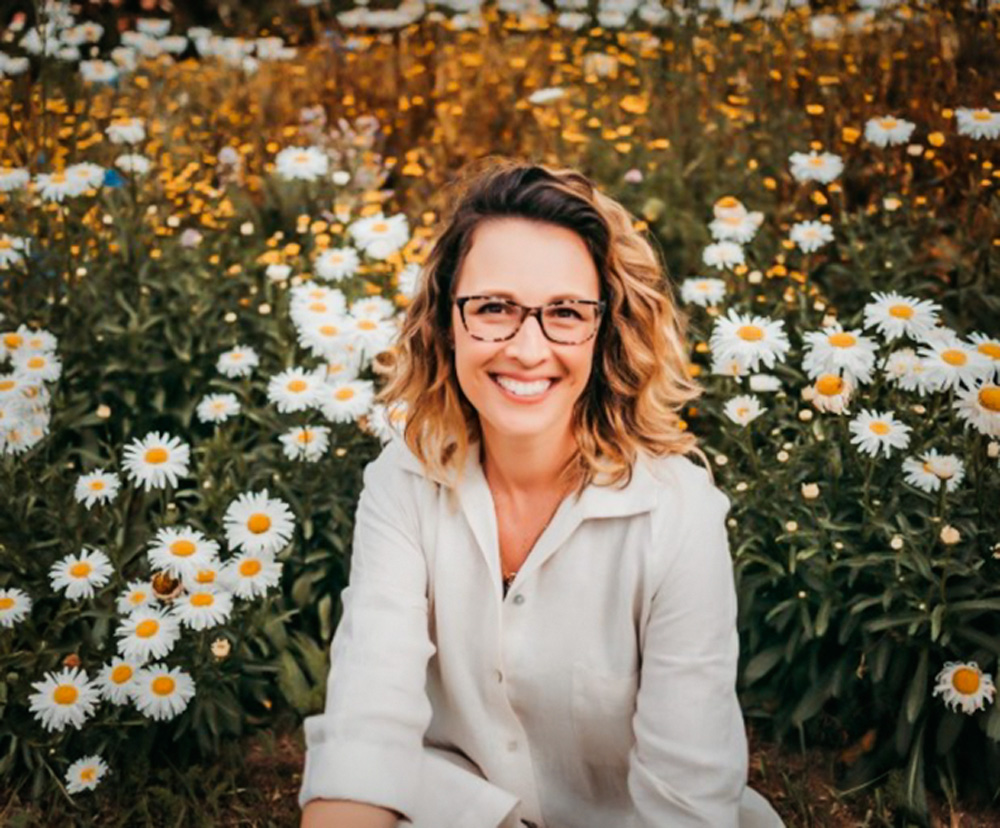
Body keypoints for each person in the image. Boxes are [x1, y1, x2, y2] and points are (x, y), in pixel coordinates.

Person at [299, 160, 784, 828]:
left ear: (604, 330)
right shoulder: (402, 482)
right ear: (446, 321)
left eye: (564, 312)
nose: (528, 349)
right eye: (494, 308)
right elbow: (367, 731)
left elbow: (685, 800)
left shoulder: (677, 516)